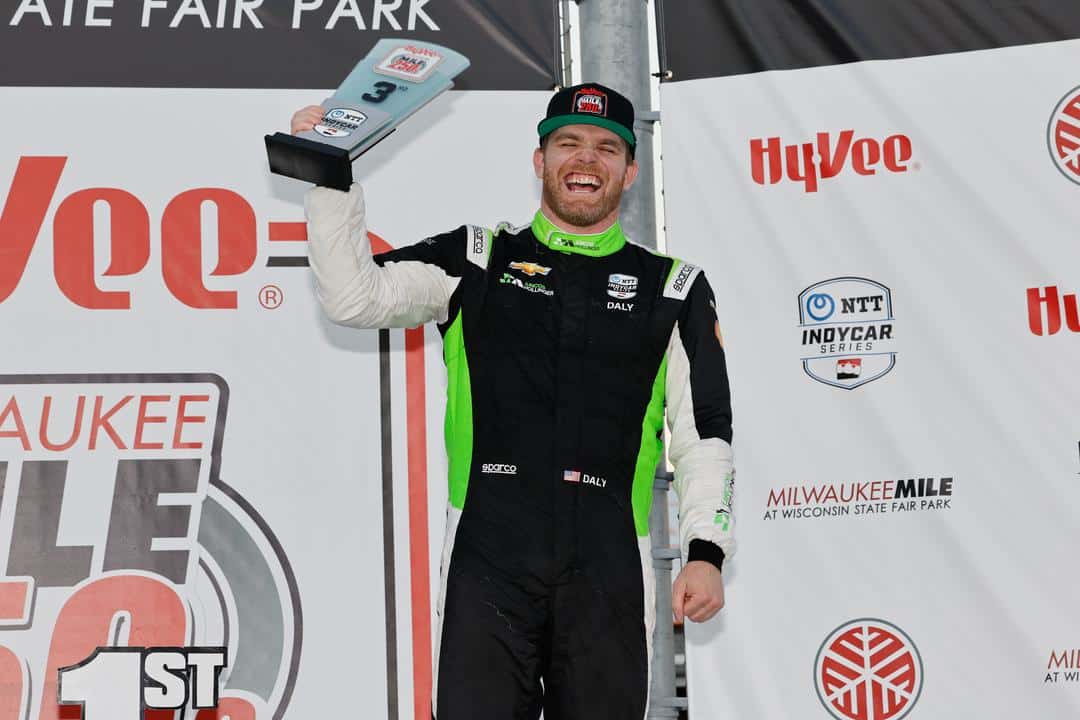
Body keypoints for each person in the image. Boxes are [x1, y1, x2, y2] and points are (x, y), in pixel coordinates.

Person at [294, 82, 735, 720]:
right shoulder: (477, 258)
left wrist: (706, 551)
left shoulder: (674, 288)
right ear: (540, 161)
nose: (587, 160)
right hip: (487, 556)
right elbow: (353, 297)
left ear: (631, 171)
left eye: (607, 148)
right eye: (568, 144)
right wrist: (330, 176)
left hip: (610, 563)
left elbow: (706, 433)